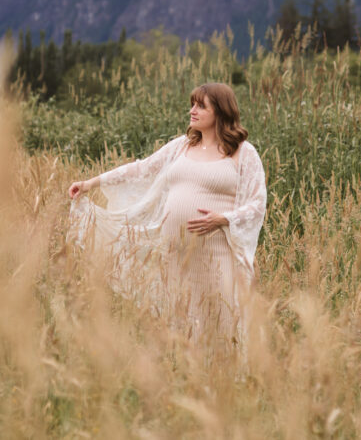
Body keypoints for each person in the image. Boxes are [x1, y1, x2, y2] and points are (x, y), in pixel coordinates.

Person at [68, 82, 266, 350]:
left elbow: (257, 203)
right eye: (192, 104)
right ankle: (185, 380)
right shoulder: (182, 146)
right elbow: (141, 170)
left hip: (215, 255)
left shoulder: (243, 152)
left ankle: (222, 383)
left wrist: (224, 219)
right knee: (182, 324)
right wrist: (92, 183)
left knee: (218, 323)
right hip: (175, 254)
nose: (192, 110)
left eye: (200, 106)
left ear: (220, 111)